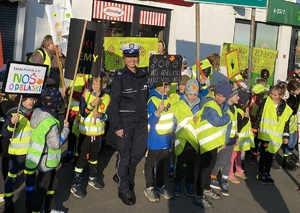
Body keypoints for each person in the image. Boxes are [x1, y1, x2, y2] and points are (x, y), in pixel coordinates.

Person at [110, 43, 149, 205]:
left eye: (135, 56)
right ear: (124, 58)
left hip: (141, 121)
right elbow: (114, 103)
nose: (132, 60)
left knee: (139, 152)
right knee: (125, 155)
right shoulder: (120, 76)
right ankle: (124, 188)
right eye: (129, 57)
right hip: (125, 123)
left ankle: (121, 171)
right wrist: (117, 126)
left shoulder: (144, 75)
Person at [25, 86, 69, 213]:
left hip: (37, 158)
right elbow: (55, 144)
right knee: (42, 189)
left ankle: (48, 209)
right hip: (46, 161)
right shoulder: (51, 122)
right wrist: (65, 129)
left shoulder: (38, 112)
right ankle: (38, 211)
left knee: (50, 184)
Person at [70, 73, 110, 198]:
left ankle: (92, 177)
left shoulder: (107, 97)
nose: (95, 86)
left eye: (98, 84)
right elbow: (82, 113)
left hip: (97, 133)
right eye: (93, 83)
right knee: (82, 157)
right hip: (85, 133)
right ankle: (76, 183)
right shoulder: (86, 95)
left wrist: (101, 116)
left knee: (94, 157)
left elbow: (108, 115)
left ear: (104, 85)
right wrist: (91, 105)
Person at [194, 80, 231, 210]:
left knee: (209, 168)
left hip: (213, 143)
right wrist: (228, 118)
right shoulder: (210, 105)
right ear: (215, 93)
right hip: (206, 143)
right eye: (218, 95)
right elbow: (217, 121)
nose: (220, 98)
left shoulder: (221, 105)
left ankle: (206, 188)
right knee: (204, 170)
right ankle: (199, 195)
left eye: (223, 96)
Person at [1, 95, 37, 213]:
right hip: (16, 155)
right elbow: (5, 133)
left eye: (34, 99)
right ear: (23, 100)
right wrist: (11, 124)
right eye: (30, 99)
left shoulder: (36, 113)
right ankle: (8, 202)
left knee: (31, 179)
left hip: (31, 154)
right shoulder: (13, 112)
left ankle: (30, 201)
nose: (33, 102)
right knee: (11, 180)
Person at [252, 84, 292, 185]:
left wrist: (286, 136)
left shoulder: (285, 108)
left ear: (281, 96)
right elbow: (259, 115)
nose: (272, 96)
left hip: (276, 137)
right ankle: (261, 173)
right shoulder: (265, 102)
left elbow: (286, 123)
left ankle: (267, 173)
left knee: (271, 156)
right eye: (271, 94)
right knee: (264, 155)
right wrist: (255, 129)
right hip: (265, 134)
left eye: (275, 95)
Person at [143, 83, 174, 202]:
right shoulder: (152, 101)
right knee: (150, 164)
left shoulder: (168, 99)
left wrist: (172, 137)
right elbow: (150, 121)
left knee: (162, 164)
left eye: (169, 87)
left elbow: (170, 119)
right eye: (165, 87)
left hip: (166, 139)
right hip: (155, 139)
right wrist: (157, 112)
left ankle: (160, 186)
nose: (167, 89)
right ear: (158, 87)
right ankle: (149, 187)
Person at [173, 79, 202, 197]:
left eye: (195, 94)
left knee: (191, 163)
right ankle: (177, 182)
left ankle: (189, 183)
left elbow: (202, 121)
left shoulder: (200, 105)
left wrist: (197, 120)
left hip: (193, 139)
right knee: (179, 161)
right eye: (190, 94)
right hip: (181, 138)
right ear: (186, 92)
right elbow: (174, 120)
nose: (193, 97)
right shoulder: (179, 104)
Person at [210, 87, 240, 196]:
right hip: (225, 140)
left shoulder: (235, 109)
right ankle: (212, 177)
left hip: (232, 139)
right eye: (236, 95)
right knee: (221, 161)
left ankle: (224, 180)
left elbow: (235, 124)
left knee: (228, 162)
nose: (239, 97)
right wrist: (223, 140)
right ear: (230, 96)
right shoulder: (224, 108)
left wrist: (237, 137)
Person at [61, 73, 92, 166]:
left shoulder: (88, 78)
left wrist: (70, 92)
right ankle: (70, 153)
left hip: (80, 113)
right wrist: (64, 93)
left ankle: (79, 156)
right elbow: (65, 95)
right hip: (69, 112)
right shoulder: (70, 77)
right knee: (71, 135)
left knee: (79, 136)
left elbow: (85, 96)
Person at [229, 90, 253, 184]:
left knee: (238, 154)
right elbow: (239, 126)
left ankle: (239, 170)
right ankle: (230, 173)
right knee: (233, 155)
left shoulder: (243, 110)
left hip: (242, 139)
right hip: (237, 138)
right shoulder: (238, 112)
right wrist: (246, 119)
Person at [282, 80, 300, 171]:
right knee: (289, 142)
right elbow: (290, 111)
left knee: (293, 142)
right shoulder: (290, 99)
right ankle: (286, 160)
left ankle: (289, 156)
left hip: (294, 123)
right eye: (298, 89)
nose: (299, 90)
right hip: (289, 123)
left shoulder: (296, 96)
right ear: (292, 90)